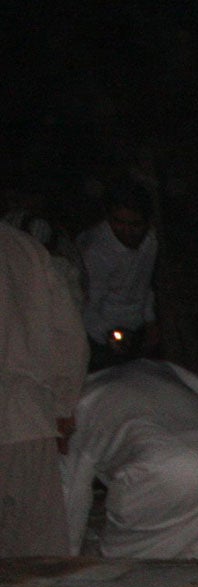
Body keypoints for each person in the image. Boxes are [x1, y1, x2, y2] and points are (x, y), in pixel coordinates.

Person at [59, 360, 198, 562]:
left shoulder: (75, 405)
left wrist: (62, 561)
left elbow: (70, 494)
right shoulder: (155, 368)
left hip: (161, 467)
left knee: (134, 570)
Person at [0, 221, 89, 558]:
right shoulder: (25, 249)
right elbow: (70, 338)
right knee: (36, 561)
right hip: (28, 422)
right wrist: (63, 408)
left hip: (26, 415)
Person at [77, 179, 160, 368]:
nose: (126, 231)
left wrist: (150, 320)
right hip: (102, 335)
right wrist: (108, 338)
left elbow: (144, 284)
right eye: (118, 222)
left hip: (137, 327)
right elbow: (86, 307)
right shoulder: (96, 252)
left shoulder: (150, 242)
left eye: (135, 224)